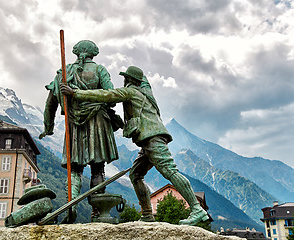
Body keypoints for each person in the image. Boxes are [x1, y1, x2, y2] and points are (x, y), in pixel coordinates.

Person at [60, 66, 209, 226]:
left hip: (151, 137)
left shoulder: (130, 91)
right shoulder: (146, 91)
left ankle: (196, 209)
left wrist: (75, 93)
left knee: (169, 171)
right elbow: (143, 80)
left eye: (125, 78)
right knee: (136, 175)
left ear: (128, 80)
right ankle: (147, 214)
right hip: (149, 140)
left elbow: (106, 94)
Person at [39, 40, 120, 223]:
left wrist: (48, 127)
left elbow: (50, 104)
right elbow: (112, 97)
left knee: (74, 169)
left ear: (76, 53)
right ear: (94, 53)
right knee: (97, 168)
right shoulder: (99, 70)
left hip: (74, 125)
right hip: (98, 122)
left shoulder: (63, 73)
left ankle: (72, 205)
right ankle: (98, 212)